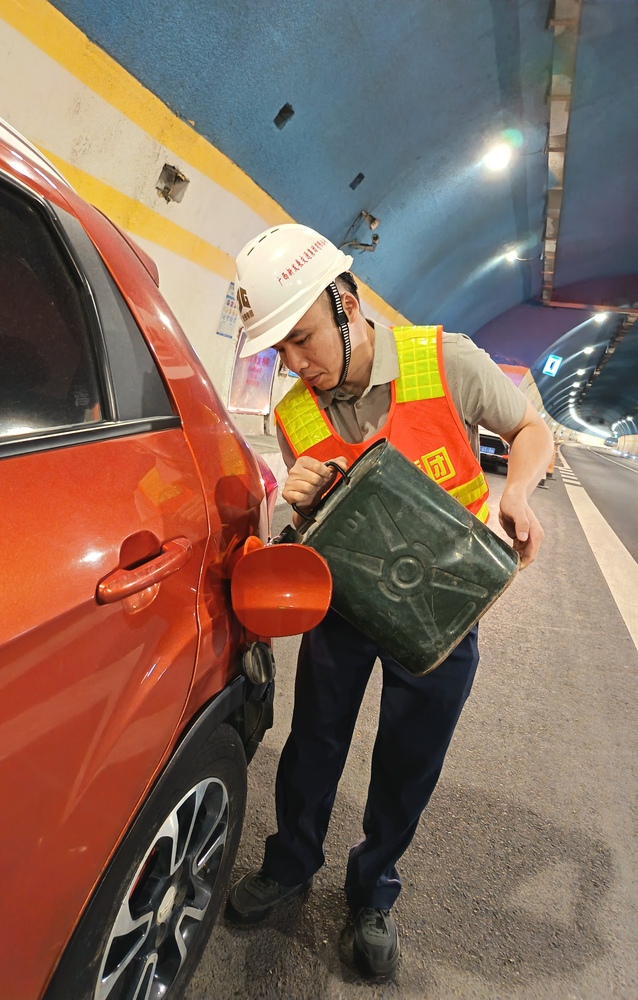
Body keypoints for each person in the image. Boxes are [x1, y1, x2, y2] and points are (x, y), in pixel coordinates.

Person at [225, 224, 554, 981]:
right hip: (345, 606)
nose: (295, 364)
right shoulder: (295, 415)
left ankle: (373, 891)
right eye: (280, 350)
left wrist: (518, 494)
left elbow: (532, 429)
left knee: (409, 760)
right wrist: (299, 501)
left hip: (442, 615)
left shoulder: (446, 360)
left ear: (346, 302)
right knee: (313, 744)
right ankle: (291, 862)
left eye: (303, 338)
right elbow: (316, 526)